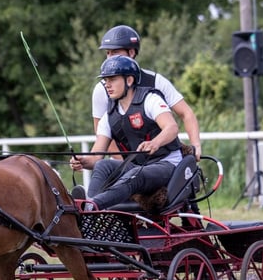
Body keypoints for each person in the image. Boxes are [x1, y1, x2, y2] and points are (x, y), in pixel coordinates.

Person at [70, 55, 183, 210]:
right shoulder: (109, 116)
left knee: (135, 174)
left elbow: (172, 127)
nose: (107, 85)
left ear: (129, 81)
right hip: (139, 167)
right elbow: (96, 157)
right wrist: (82, 161)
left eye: (112, 79)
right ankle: (88, 206)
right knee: (103, 165)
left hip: (168, 164)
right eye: (105, 81)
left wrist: (155, 143)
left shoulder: (150, 100)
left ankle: (92, 206)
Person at [93, 24, 201, 159]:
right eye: (107, 53)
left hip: (159, 158)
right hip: (122, 161)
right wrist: (125, 163)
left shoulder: (156, 81)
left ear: (131, 52)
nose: (109, 58)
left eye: (114, 52)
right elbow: (101, 132)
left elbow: (186, 113)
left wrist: (195, 145)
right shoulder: (101, 89)